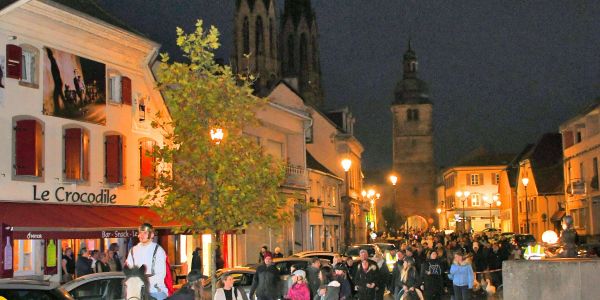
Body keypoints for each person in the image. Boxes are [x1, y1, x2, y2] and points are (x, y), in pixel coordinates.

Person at [126, 223, 169, 300]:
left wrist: (143, 283)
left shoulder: (158, 250)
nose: (142, 235)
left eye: (145, 233)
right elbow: (129, 271)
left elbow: (160, 274)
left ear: (152, 235)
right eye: (140, 233)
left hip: (155, 290)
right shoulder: (133, 250)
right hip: (137, 291)